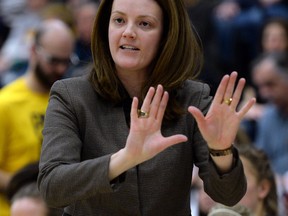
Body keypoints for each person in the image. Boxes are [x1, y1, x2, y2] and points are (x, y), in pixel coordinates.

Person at [37, 0, 255, 215]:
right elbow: (52, 187)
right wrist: (125, 159)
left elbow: (229, 196)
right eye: (119, 20)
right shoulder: (70, 95)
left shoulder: (193, 98)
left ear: (167, 36)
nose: (128, 32)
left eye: (144, 24)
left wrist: (221, 150)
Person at [0, 19, 75, 216]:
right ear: (34, 50)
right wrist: (32, 184)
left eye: (66, 61)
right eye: (53, 60)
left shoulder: (70, 101)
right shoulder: (5, 103)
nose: (60, 69)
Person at [250, 52, 288, 175]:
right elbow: (261, 164)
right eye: (260, 87)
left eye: (270, 84)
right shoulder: (268, 116)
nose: (264, 93)